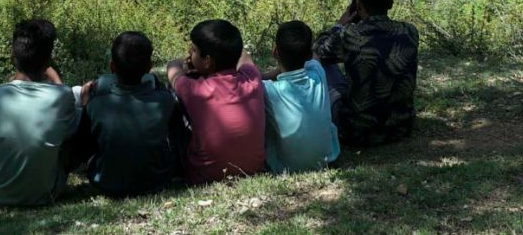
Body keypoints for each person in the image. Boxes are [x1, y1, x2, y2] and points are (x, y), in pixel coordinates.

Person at [0, 19, 79, 206]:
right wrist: (57, 81)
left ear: (12, 55)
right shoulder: (63, 96)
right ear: (48, 59)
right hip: (44, 194)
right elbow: (66, 129)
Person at [314, 0, 418, 145]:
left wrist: (339, 25)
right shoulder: (410, 31)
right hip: (400, 126)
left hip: (357, 131)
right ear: (390, 3)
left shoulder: (349, 35)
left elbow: (317, 50)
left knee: (322, 64)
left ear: (358, 5)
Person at [75, 31, 176, 197]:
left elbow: (82, 147)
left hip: (106, 183)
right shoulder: (164, 101)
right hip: (157, 181)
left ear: (112, 66)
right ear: (150, 68)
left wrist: (86, 104)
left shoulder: (96, 104)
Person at [166, 19, 266, 184]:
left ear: (207, 60)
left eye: (194, 50)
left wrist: (185, 64)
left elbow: (173, 68)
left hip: (203, 175)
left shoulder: (195, 90)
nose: (190, 52)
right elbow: (244, 55)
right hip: (254, 168)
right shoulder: (252, 79)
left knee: (173, 97)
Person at [260, 20, 341, 173]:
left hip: (285, 168)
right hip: (327, 159)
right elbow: (315, 57)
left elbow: (251, 74)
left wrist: (265, 76)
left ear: (275, 52)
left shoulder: (268, 90)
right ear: (309, 55)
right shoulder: (318, 73)